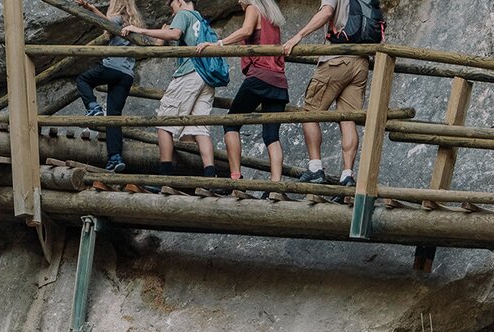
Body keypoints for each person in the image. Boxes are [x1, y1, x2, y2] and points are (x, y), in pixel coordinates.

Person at [282, 0, 383, 185]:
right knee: (348, 119)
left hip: (336, 58)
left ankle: (315, 168)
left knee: (310, 113)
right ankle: (347, 175)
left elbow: (327, 13)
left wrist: (298, 36)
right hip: (361, 63)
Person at [124, 0, 221, 190]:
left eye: (171, 5)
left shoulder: (183, 15)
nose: (171, 9)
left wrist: (141, 30)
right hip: (207, 78)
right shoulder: (201, 20)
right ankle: (211, 177)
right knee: (199, 127)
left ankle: (164, 177)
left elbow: (175, 34)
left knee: (164, 122)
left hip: (190, 73)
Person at [198, 0, 289, 188]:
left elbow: (246, 31)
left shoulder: (253, 8)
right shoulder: (272, 16)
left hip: (260, 76)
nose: (239, 1)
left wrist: (219, 44)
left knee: (230, 123)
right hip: (278, 80)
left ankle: (236, 178)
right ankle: (276, 186)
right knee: (271, 135)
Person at [72, 0, 143, 173]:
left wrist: (91, 10)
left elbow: (107, 25)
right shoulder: (135, 25)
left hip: (112, 67)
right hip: (127, 75)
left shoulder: (118, 19)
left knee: (83, 80)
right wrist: (92, 8)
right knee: (113, 117)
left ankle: (93, 107)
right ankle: (115, 157)